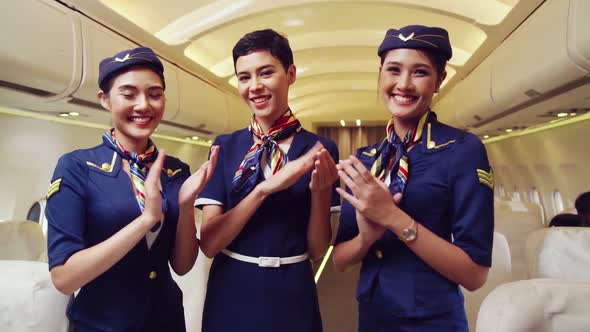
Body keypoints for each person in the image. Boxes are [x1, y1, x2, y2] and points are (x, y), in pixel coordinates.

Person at [333, 25, 494, 332]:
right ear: (380, 74)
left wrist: (393, 217)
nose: (403, 84)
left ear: (439, 80)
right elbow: (341, 258)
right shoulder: (367, 159)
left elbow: (475, 275)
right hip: (372, 314)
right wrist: (367, 237)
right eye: (393, 70)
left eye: (419, 72)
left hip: (432, 320)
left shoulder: (462, 151)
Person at [45, 47, 219, 332]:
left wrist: (186, 205)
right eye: (128, 94)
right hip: (101, 325)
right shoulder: (77, 167)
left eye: (154, 94)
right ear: (105, 100)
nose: (144, 105)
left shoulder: (175, 171)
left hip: (167, 322)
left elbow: (182, 266)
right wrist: (146, 220)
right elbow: (64, 278)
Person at [195, 29, 339, 332]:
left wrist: (321, 193)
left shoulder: (320, 150)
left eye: (266, 73)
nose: (255, 87)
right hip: (232, 288)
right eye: (244, 77)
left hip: (294, 289)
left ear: (291, 74)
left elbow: (317, 249)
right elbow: (209, 243)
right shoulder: (225, 147)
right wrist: (263, 189)